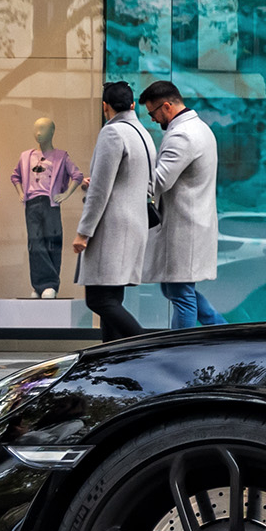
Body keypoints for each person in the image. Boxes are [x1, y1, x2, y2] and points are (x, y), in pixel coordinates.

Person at [72, 82, 152, 340]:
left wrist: (84, 232)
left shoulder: (113, 133)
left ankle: (145, 346)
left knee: (99, 300)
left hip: (112, 227)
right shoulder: (143, 133)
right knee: (111, 299)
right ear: (132, 105)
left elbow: (100, 189)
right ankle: (113, 359)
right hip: (134, 223)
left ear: (105, 106)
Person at [141, 79, 223, 328]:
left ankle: (180, 352)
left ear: (166, 107)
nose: (153, 120)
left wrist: (123, 180)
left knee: (181, 294)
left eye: (153, 113)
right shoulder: (198, 128)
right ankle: (222, 331)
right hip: (189, 223)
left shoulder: (183, 136)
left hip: (185, 227)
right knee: (175, 290)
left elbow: (160, 180)